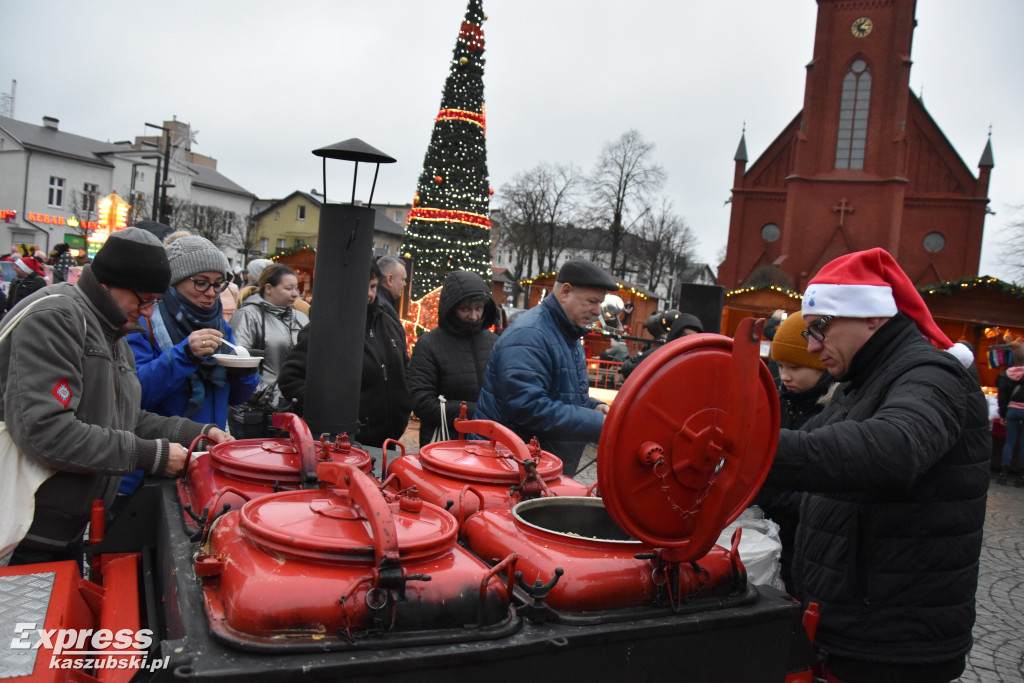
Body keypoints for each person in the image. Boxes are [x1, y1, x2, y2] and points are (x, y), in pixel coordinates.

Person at [763, 248, 988, 682]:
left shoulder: (932, 375)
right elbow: (808, 458)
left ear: (872, 316)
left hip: (893, 643)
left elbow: (895, 447)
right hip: (850, 626)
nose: (812, 346)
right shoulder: (860, 380)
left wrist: (754, 449)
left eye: (820, 329)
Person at [0, 227, 232, 565]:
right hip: (22, 531)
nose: (150, 312)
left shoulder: (112, 330)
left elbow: (124, 415)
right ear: (109, 284)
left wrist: (195, 433)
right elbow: (46, 432)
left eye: (156, 300)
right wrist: (152, 455)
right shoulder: (56, 318)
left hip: (58, 530)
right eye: (144, 300)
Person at [475, 258, 619, 475]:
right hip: (509, 470)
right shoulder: (531, 334)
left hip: (530, 468)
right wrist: (597, 422)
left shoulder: (566, 335)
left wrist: (592, 407)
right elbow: (527, 406)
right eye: (592, 301)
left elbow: (561, 393)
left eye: (600, 303)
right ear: (565, 292)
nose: (598, 311)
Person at [127, 234, 258, 436]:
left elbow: (235, 398)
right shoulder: (143, 322)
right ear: (175, 282)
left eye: (218, 283)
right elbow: (134, 394)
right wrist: (184, 354)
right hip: (160, 452)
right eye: (201, 282)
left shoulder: (220, 326)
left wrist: (245, 372)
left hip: (207, 447)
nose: (211, 293)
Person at [278, 260, 411, 446]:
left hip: (387, 441)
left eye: (372, 287)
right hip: (345, 444)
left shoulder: (386, 321)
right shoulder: (325, 327)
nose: (369, 294)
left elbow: (404, 367)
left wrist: (405, 405)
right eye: (361, 286)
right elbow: (290, 378)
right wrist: (332, 412)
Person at [752, 313, 837, 591]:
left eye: (795, 367)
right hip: (770, 531)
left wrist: (769, 493)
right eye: (781, 366)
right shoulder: (779, 402)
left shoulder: (833, 412)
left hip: (803, 540)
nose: (785, 376)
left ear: (820, 366)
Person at [407, 270, 498, 447]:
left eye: (478, 308)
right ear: (451, 308)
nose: (473, 316)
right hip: (444, 444)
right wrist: (476, 412)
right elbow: (421, 402)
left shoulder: (494, 342)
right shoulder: (428, 344)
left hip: (485, 444)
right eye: (465, 309)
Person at [229, 264, 309, 437]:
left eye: (296, 288)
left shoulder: (301, 317)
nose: (295, 293)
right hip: (254, 415)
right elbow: (238, 365)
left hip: (291, 414)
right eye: (288, 288)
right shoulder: (247, 315)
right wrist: (276, 397)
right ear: (268, 288)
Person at [619, 310, 703, 379]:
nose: (689, 342)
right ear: (676, 337)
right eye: (685, 337)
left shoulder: (700, 367)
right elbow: (628, 368)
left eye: (693, 339)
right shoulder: (657, 356)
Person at [995, 343, 1024, 486]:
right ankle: (1021, 477)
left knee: (1009, 442)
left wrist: (1003, 414)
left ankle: (1003, 474)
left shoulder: (1008, 374)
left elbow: (1002, 396)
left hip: (1012, 410)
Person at [376, 255, 408, 324]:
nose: (405, 284)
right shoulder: (384, 311)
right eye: (403, 279)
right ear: (390, 279)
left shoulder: (379, 305)